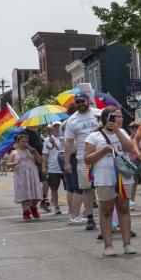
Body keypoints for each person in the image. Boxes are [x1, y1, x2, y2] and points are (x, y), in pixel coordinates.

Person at [85, 106, 136, 256]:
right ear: (106, 118)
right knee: (106, 211)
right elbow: (87, 158)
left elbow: (129, 148)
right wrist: (104, 150)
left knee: (124, 209)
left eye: (120, 116)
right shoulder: (94, 136)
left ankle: (127, 244)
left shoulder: (123, 132)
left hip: (123, 177)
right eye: (115, 116)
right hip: (104, 178)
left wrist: (118, 131)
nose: (119, 119)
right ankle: (108, 246)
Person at [63, 92, 99, 230]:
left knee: (107, 187)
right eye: (77, 102)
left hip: (101, 157)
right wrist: (66, 161)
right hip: (83, 159)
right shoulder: (72, 120)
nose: (80, 104)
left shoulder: (98, 114)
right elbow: (68, 142)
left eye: (82, 101)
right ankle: (90, 218)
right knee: (87, 189)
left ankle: (112, 218)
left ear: (88, 100)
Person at [6, 133, 44, 221]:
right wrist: (13, 164)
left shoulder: (31, 151)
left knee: (36, 193)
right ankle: (26, 212)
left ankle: (33, 207)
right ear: (17, 142)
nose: (25, 143)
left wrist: (33, 151)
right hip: (21, 176)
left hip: (32, 174)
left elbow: (40, 160)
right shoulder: (14, 153)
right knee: (25, 195)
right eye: (23, 141)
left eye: (27, 141)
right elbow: (8, 165)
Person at [41, 122, 64, 215]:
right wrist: (43, 166)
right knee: (54, 189)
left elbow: (63, 151)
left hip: (64, 166)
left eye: (59, 127)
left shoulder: (66, 139)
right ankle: (56, 207)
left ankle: (72, 208)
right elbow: (45, 154)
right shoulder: (47, 140)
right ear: (52, 129)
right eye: (55, 127)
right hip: (53, 168)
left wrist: (54, 143)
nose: (57, 128)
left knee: (71, 189)